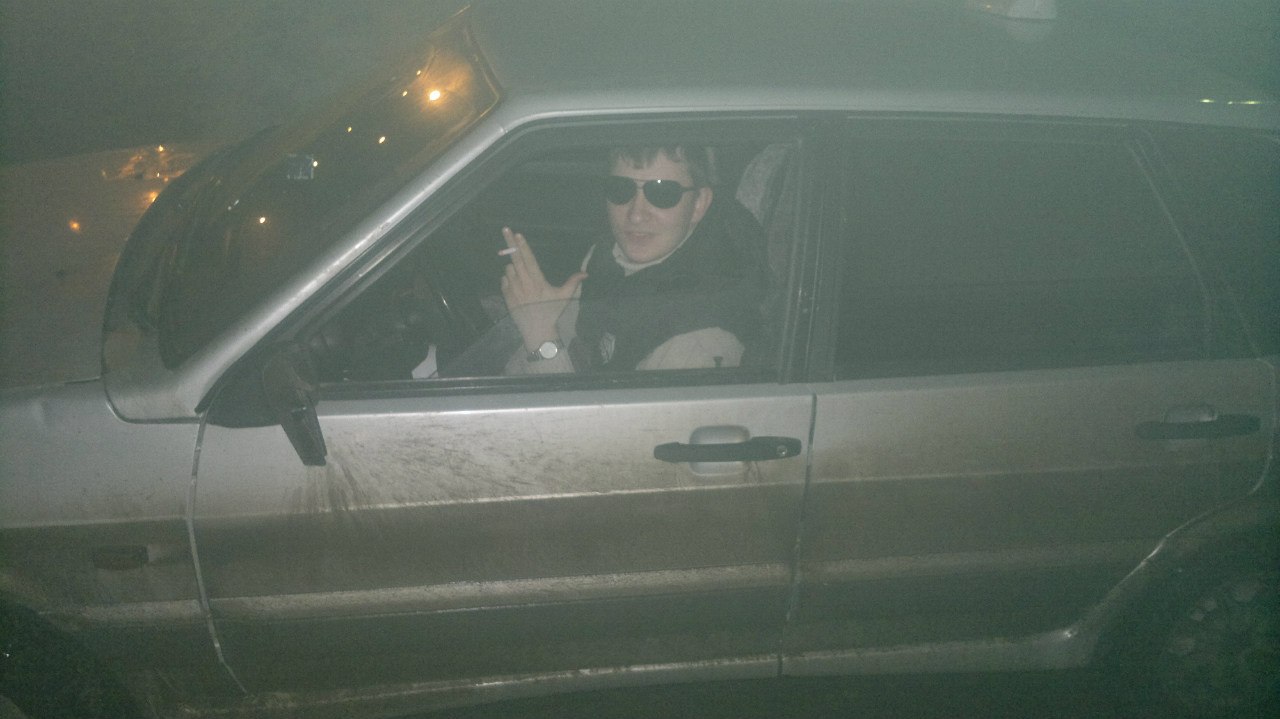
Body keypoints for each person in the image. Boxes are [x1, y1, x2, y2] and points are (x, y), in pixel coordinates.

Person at [499, 144, 767, 374]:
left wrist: (540, 337)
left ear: (698, 203)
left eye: (662, 193)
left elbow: (576, 422)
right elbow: (567, 340)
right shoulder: (609, 256)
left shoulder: (698, 340)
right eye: (621, 189)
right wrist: (542, 323)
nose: (636, 215)